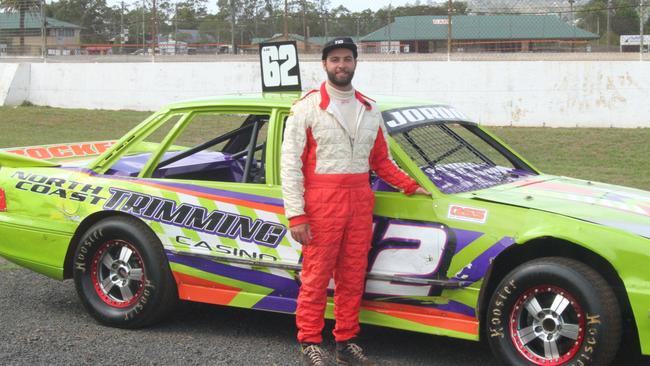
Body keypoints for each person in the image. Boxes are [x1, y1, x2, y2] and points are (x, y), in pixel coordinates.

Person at [281, 37, 429, 366]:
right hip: (322, 202)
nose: (341, 65)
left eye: (347, 59)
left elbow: (382, 161)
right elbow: (289, 165)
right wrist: (296, 214)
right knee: (316, 275)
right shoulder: (306, 107)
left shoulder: (369, 109)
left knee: (352, 275)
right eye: (334, 59)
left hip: (360, 200)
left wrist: (409, 186)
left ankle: (346, 340)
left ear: (355, 62)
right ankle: (309, 341)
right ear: (324, 64)